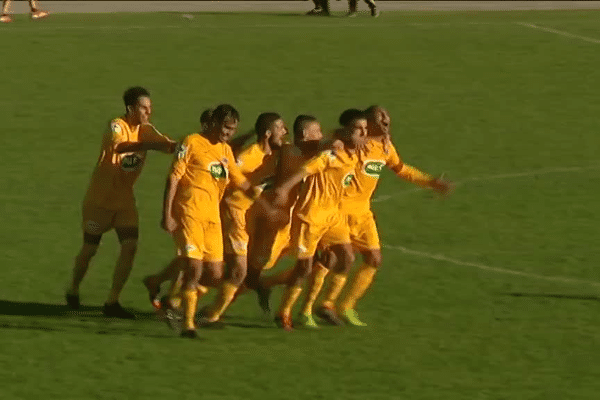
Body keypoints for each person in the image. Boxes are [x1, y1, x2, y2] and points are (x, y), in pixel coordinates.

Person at [311, 106, 454, 327]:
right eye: (380, 116)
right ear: (367, 121)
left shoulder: (385, 148)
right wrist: (342, 137)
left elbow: (401, 168)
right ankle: (325, 304)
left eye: (387, 115)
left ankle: (347, 306)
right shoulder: (352, 141)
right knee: (338, 259)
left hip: (363, 212)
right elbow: (329, 137)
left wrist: (431, 182)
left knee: (374, 259)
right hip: (339, 210)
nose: (387, 119)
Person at [161, 104, 278, 338]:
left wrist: (262, 195)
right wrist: (167, 214)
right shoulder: (192, 142)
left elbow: (239, 181)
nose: (228, 133)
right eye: (226, 127)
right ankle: (188, 325)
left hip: (212, 219)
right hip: (189, 213)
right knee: (194, 268)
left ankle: (171, 302)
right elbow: (174, 177)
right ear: (214, 123)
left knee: (214, 274)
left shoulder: (225, 151)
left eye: (233, 129)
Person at [66, 86, 177, 319]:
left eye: (150, 107)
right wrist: (149, 145)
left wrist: (191, 146)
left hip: (125, 202)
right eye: (143, 107)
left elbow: (169, 145)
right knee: (89, 249)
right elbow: (119, 146)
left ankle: (112, 301)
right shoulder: (116, 125)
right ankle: (74, 287)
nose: (149, 111)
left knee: (130, 246)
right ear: (130, 108)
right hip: (99, 202)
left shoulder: (146, 131)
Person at [267, 113, 368, 331]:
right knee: (303, 268)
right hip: (310, 217)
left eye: (365, 130)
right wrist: (283, 189)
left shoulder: (352, 155)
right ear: (347, 132)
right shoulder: (329, 155)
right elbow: (305, 170)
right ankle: (284, 311)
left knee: (346, 257)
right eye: (359, 130)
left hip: (333, 218)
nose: (364, 134)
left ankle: (323, 305)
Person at [197, 112, 288, 324]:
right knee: (239, 270)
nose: (285, 132)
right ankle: (209, 315)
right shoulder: (248, 157)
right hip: (233, 212)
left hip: (247, 216)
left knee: (223, 270)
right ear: (267, 134)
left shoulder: (276, 154)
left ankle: (177, 301)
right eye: (280, 128)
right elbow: (227, 173)